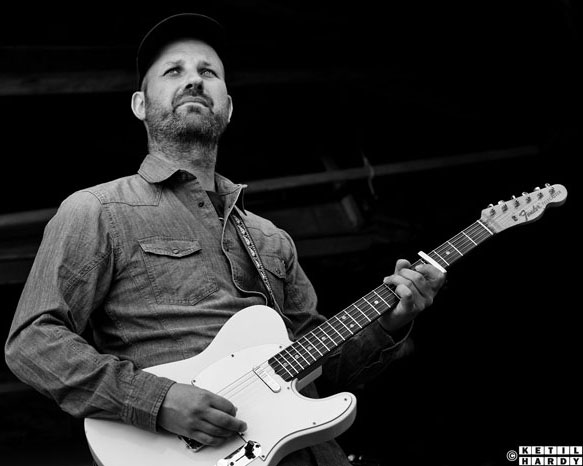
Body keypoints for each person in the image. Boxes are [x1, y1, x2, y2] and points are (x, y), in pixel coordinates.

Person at [4, 13, 445, 466]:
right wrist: (158, 400)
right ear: (140, 105)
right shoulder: (97, 209)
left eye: (208, 72)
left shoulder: (271, 239)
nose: (194, 80)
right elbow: (33, 342)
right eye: (173, 71)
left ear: (228, 107)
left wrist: (392, 320)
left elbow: (324, 369)